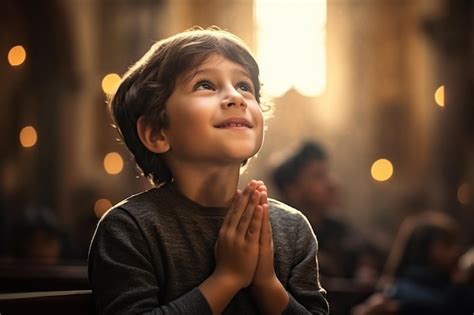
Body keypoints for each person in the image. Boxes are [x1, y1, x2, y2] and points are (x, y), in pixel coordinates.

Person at [88, 27, 329, 314]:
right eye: (205, 85)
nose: (235, 98)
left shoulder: (292, 228)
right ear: (156, 132)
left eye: (244, 86)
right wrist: (227, 278)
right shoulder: (130, 228)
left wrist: (267, 284)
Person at [271, 141, 382, 281]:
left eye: (327, 173)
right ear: (292, 190)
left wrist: (365, 268)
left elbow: (368, 253)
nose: (332, 184)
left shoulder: (338, 227)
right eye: (318, 176)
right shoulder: (279, 238)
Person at [353, 211, 474, 315]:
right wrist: (459, 285)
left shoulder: (448, 282)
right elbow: (441, 308)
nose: (456, 250)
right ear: (424, 248)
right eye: (447, 244)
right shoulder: (402, 288)